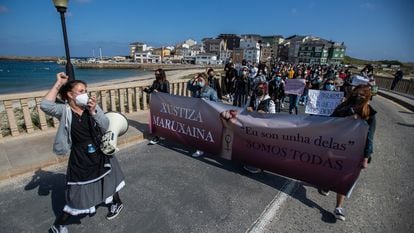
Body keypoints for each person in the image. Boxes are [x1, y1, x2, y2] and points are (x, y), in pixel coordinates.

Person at [41, 72, 125, 233]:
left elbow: (105, 125)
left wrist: (94, 111)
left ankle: (117, 202)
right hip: (80, 156)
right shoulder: (64, 111)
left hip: (100, 151)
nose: (85, 94)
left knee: (108, 179)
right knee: (77, 194)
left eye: (85, 90)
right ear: (70, 95)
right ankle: (59, 225)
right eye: (81, 91)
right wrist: (58, 83)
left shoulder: (91, 107)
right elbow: (45, 105)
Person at [319, 85, 377, 221]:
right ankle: (327, 185)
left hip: (354, 152)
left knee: (345, 178)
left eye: (363, 95)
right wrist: (346, 118)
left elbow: (370, 136)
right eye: (357, 94)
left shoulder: (369, 113)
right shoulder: (342, 107)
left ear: (367, 97)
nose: (359, 97)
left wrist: (366, 156)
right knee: (331, 170)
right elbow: (330, 121)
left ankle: (338, 207)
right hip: (336, 147)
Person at [187, 73, 218, 157]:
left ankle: (204, 148)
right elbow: (188, 87)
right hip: (197, 113)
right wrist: (193, 78)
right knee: (198, 131)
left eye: (201, 80)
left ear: (205, 80)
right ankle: (200, 148)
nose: (199, 82)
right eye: (199, 80)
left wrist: (208, 103)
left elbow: (217, 103)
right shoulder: (196, 88)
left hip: (206, 114)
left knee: (205, 132)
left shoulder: (211, 90)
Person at [145, 68, 170, 145]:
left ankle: (159, 136)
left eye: (157, 74)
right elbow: (151, 90)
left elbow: (167, 94)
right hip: (155, 104)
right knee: (156, 120)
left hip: (163, 104)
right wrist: (146, 89)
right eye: (155, 74)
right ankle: (157, 136)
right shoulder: (155, 82)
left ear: (161, 74)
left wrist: (158, 92)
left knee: (162, 120)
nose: (156, 75)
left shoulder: (166, 82)